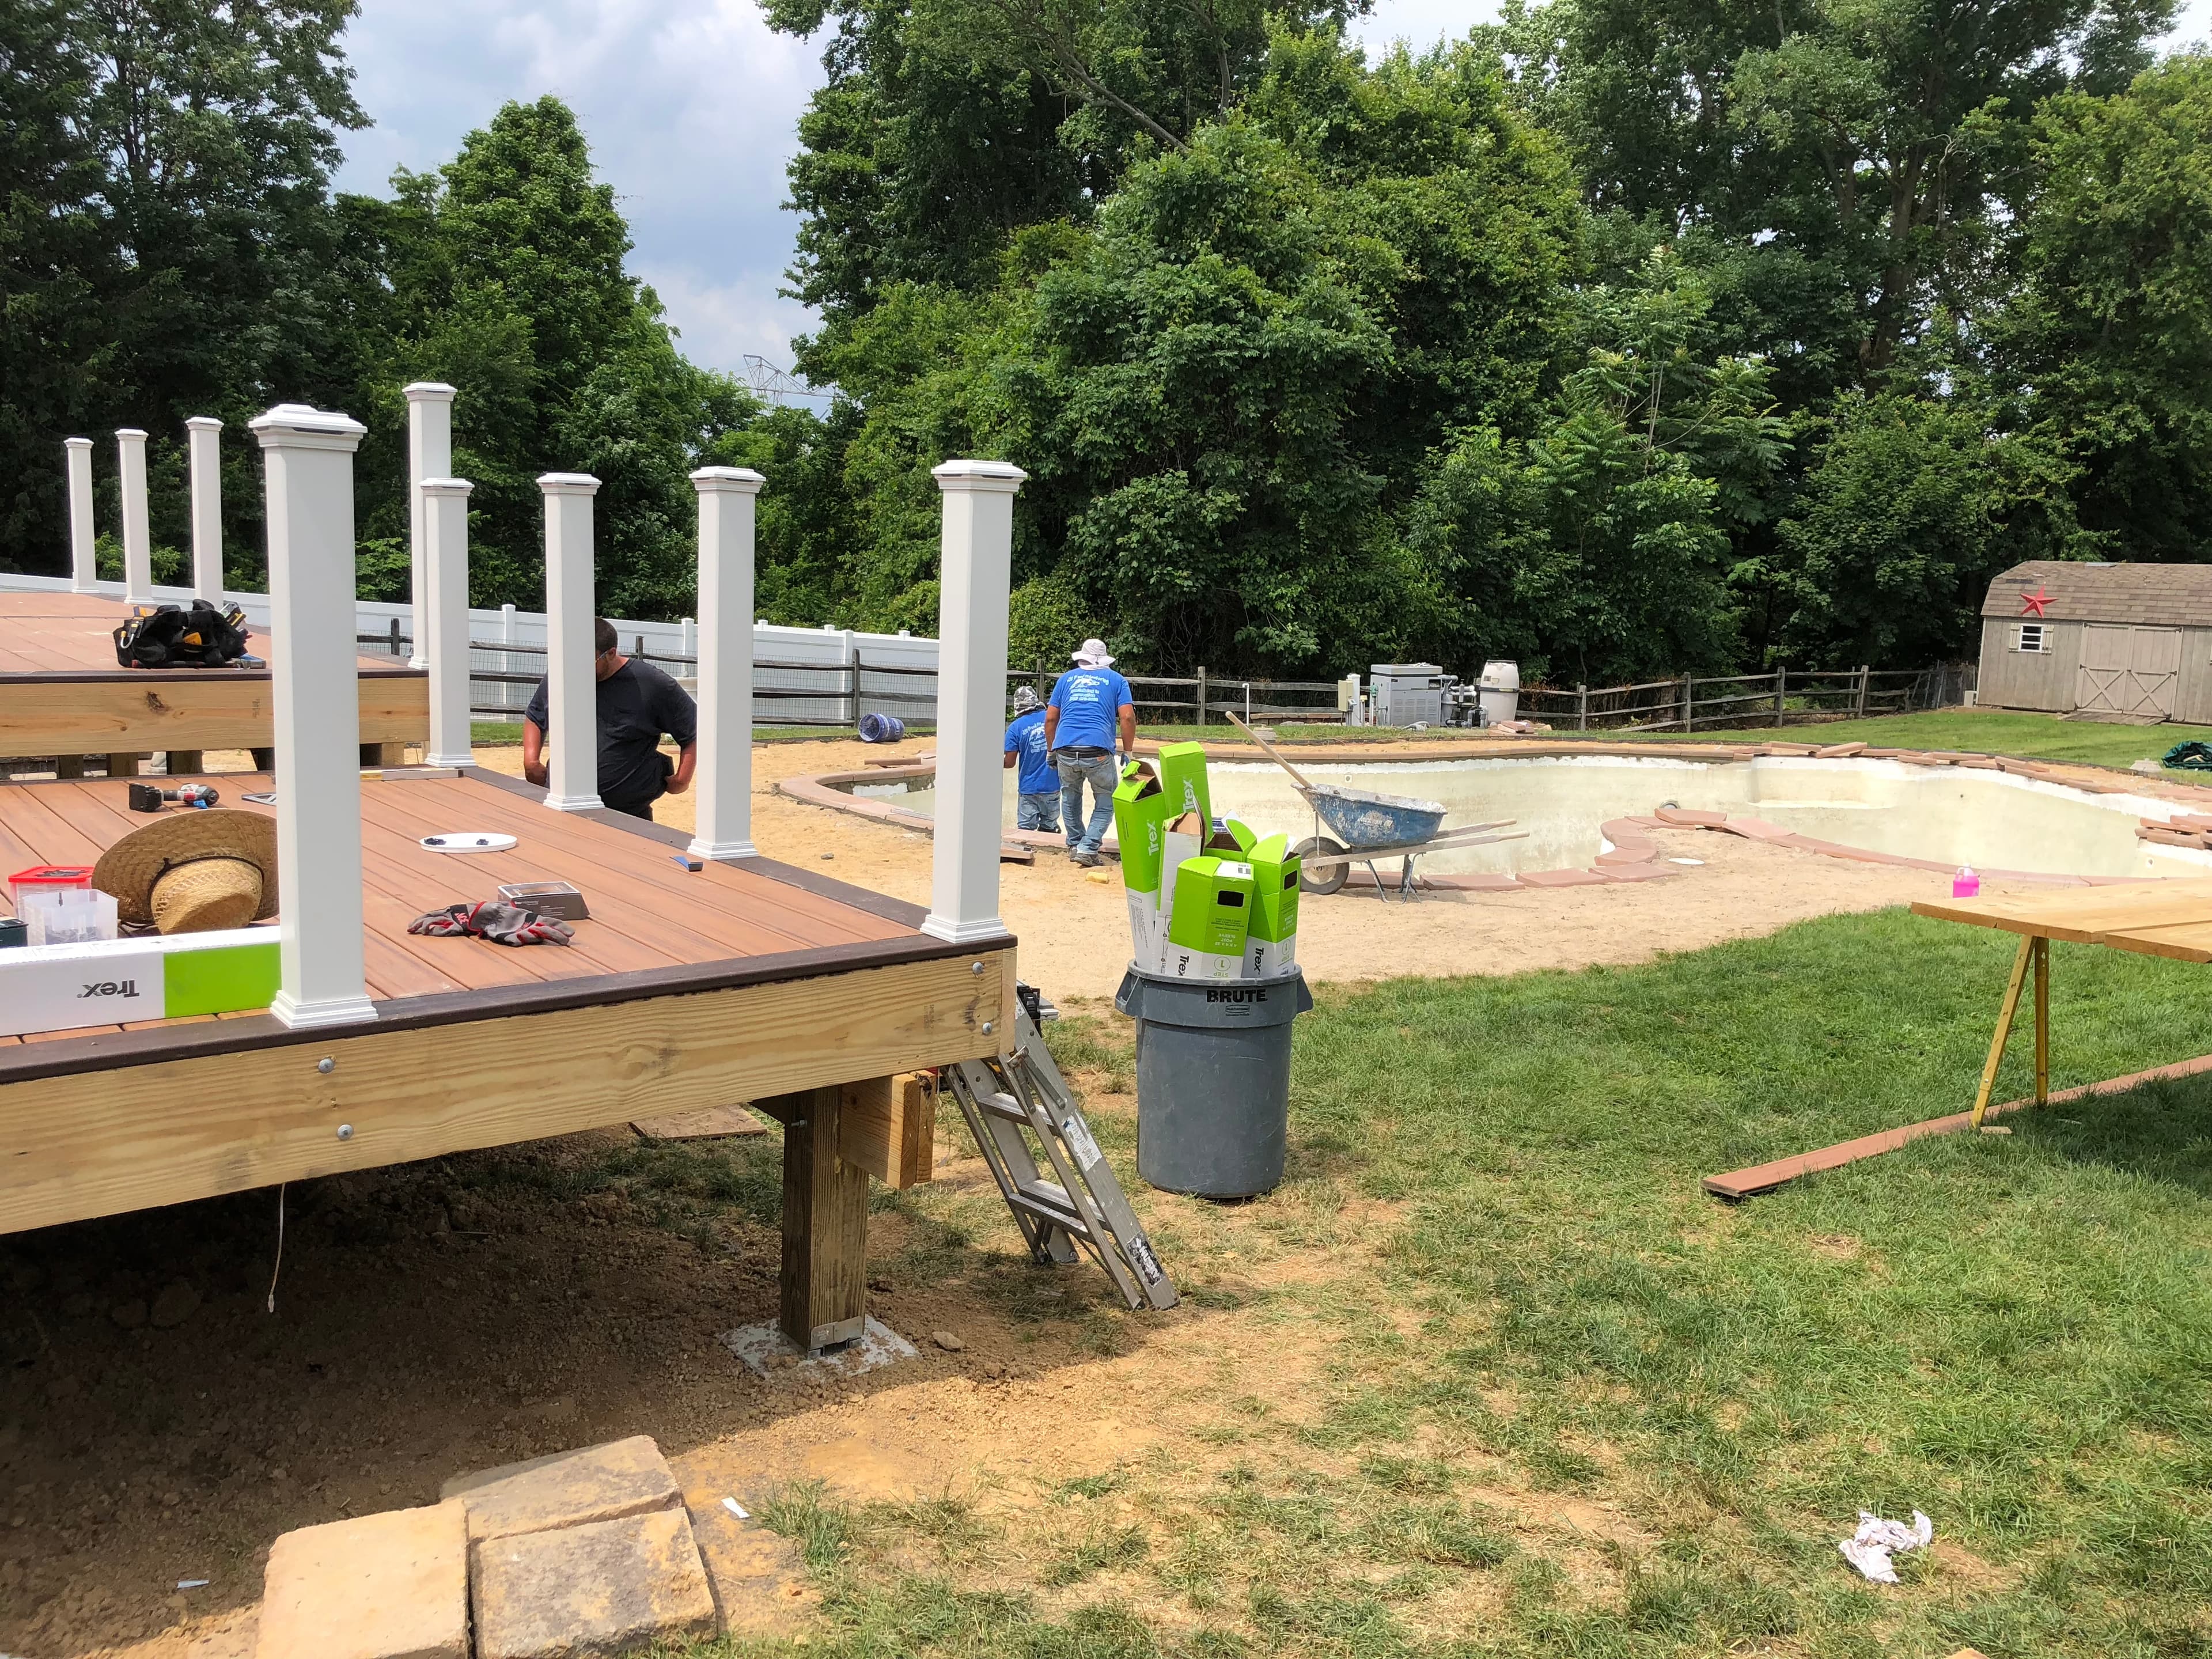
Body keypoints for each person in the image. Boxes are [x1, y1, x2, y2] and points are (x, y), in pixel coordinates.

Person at [522, 618, 698, 820]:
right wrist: (531, 760)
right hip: (564, 804)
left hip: (628, 815)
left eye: (588, 661)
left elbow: (692, 730)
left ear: (611, 654)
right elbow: (535, 715)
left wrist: (682, 780)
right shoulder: (563, 674)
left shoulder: (651, 684)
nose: (577, 668)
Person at [1044, 637, 1134, 865]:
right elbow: (1127, 716)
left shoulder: (1066, 680)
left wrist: (1051, 751)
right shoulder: (1116, 680)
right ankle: (1088, 847)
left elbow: (1052, 718)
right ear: (1105, 660)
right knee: (1106, 801)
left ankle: (1075, 843)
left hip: (1065, 748)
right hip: (1098, 751)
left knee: (1071, 797)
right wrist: (1129, 751)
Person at [1003, 685, 1059, 832]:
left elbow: (1009, 763)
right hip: (1053, 785)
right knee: (1050, 828)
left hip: (1029, 788)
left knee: (1025, 830)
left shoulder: (1015, 728)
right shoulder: (1053, 719)